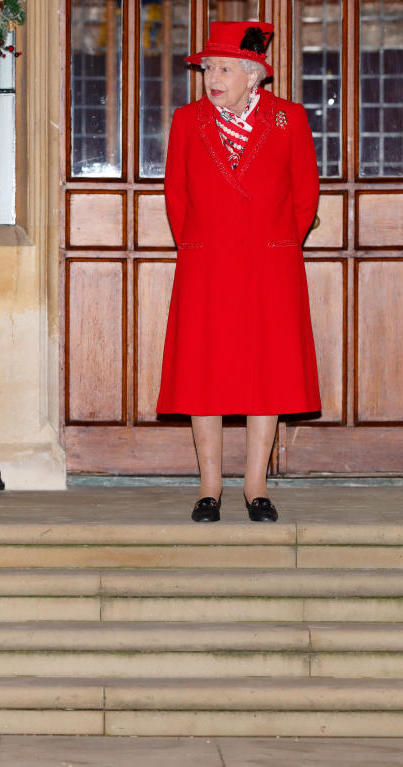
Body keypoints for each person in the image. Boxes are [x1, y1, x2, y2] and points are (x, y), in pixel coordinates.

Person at [157, 22, 321, 523]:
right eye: (209, 68)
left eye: (224, 68)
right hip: (207, 265)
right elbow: (176, 194)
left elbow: (305, 195)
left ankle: (256, 485)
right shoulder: (188, 120)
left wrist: (276, 242)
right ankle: (209, 486)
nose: (213, 77)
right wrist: (197, 245)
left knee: (265, 375)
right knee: (203, 372)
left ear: (253, 75)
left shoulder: (289, 119)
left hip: (269, 265)